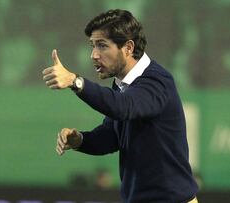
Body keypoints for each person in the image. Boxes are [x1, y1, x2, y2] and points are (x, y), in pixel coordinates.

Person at [42, 9, 198, 203]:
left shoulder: (157, 81)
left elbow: (123, 107)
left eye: (102, 46)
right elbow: (111, 137)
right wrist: (80, 140)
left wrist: (75, 81)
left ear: (128, 47)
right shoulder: (122, 85)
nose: (94, 55)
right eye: (93, 46)